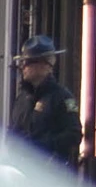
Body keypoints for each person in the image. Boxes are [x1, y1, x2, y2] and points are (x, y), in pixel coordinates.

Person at [10, 36, 80, 167]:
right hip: (21, 172)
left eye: (27, 62)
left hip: (49, 173)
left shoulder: (62, 97)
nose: (22, 67)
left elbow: (73, 135)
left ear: (45, 64)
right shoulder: (21, 99)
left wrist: (41, 146)